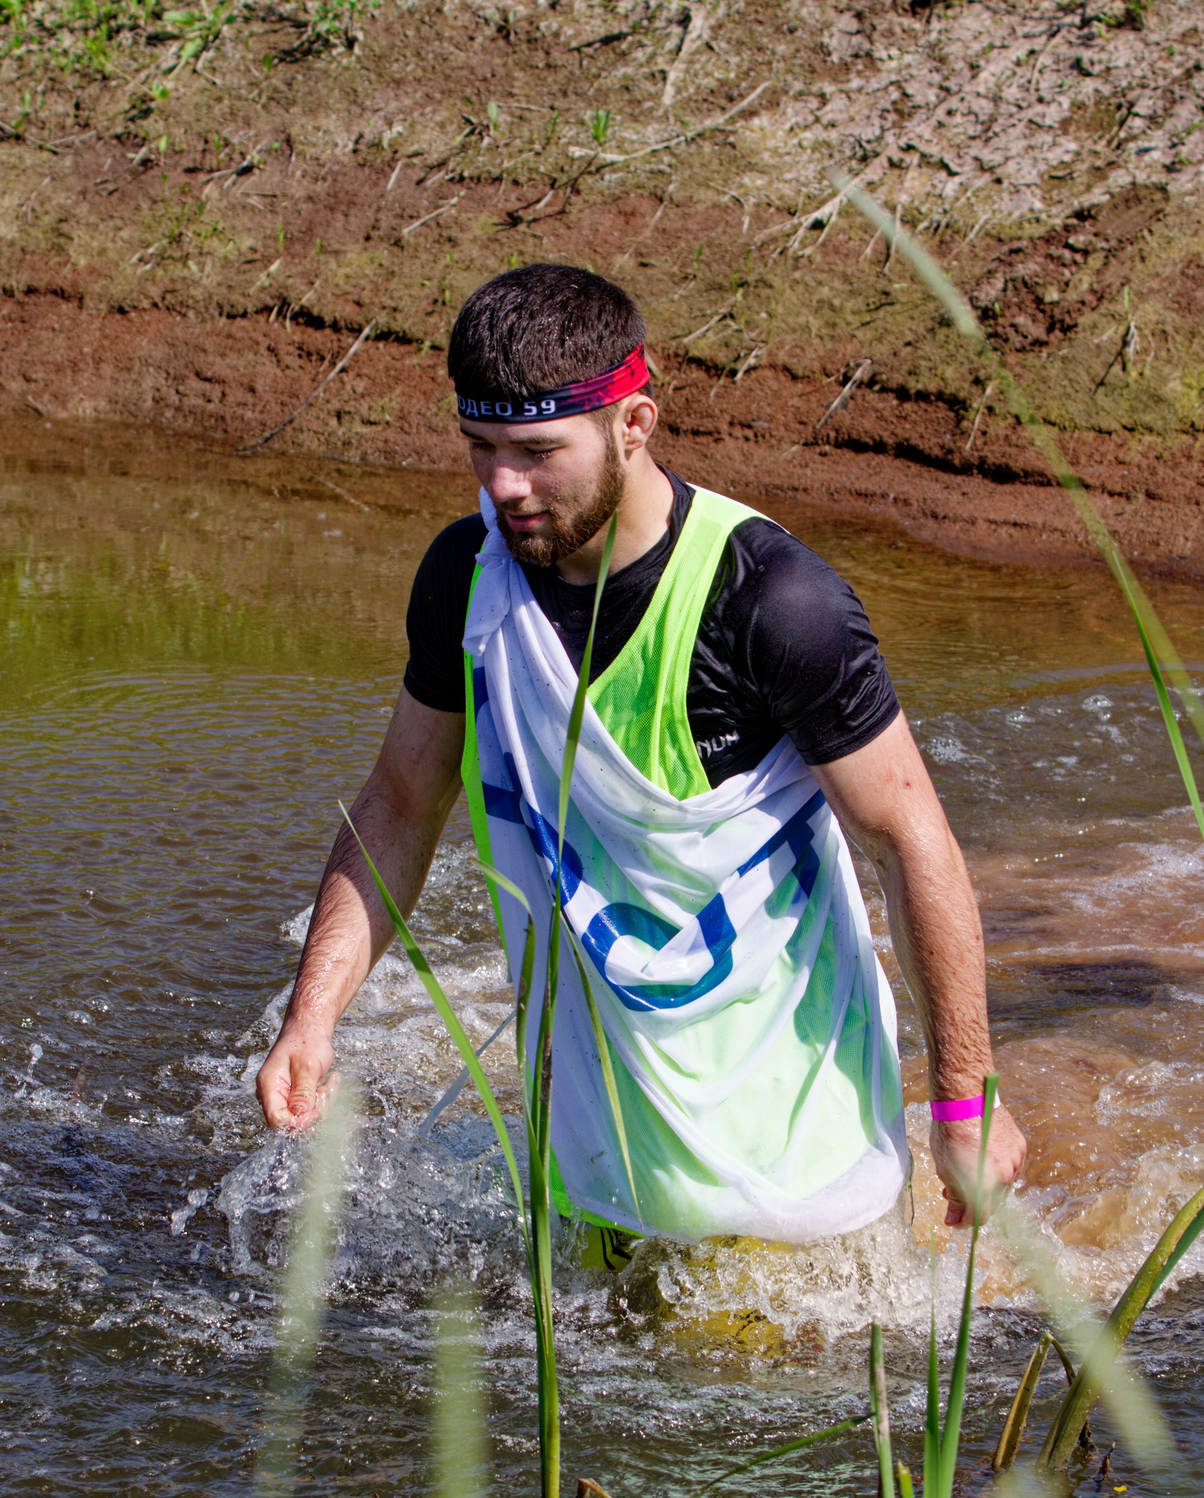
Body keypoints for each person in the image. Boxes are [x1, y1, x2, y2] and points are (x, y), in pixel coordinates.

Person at [255, 262, 1026, 1240]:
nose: (502, 485)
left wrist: (964, 1100)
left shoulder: (771, 602)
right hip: (591, 1130)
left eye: (537, 451)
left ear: (634, 422)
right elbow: (402, 804)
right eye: (480, 446)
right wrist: (310, 1019)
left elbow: (909, 838)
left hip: (794, 1141)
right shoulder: (467, 578)